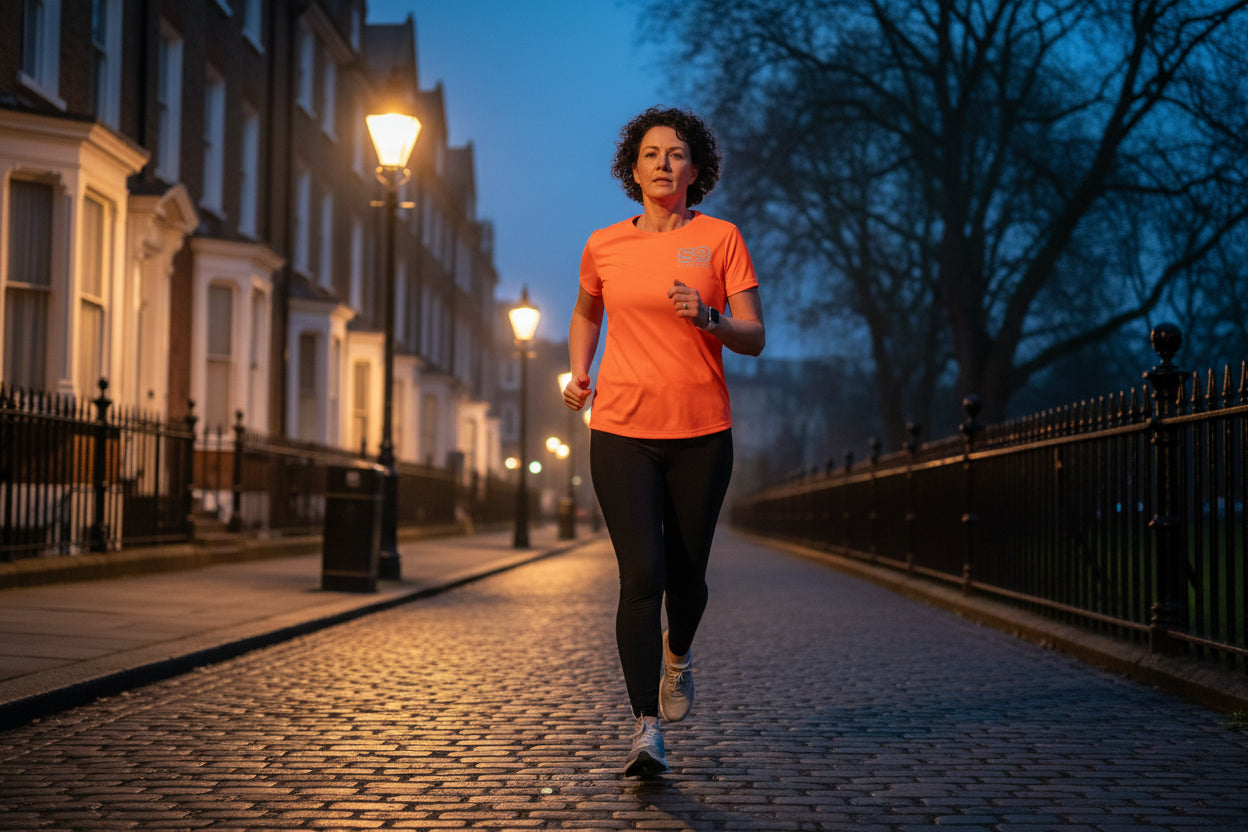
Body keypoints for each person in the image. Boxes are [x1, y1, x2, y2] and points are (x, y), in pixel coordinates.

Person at [562, 106, 766, 777]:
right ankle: (646, 730)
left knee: (687, 579)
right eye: (650, 153)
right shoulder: (604, 245)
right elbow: (587, 309)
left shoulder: (720, 239)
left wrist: (710, 318)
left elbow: (754, 335)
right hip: (620, 427)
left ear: (696, 169)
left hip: (701, 432)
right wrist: (580, 371)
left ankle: (678, 657)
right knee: (642, 574)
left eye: (676, 154)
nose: (662, 163)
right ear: (633, 167)